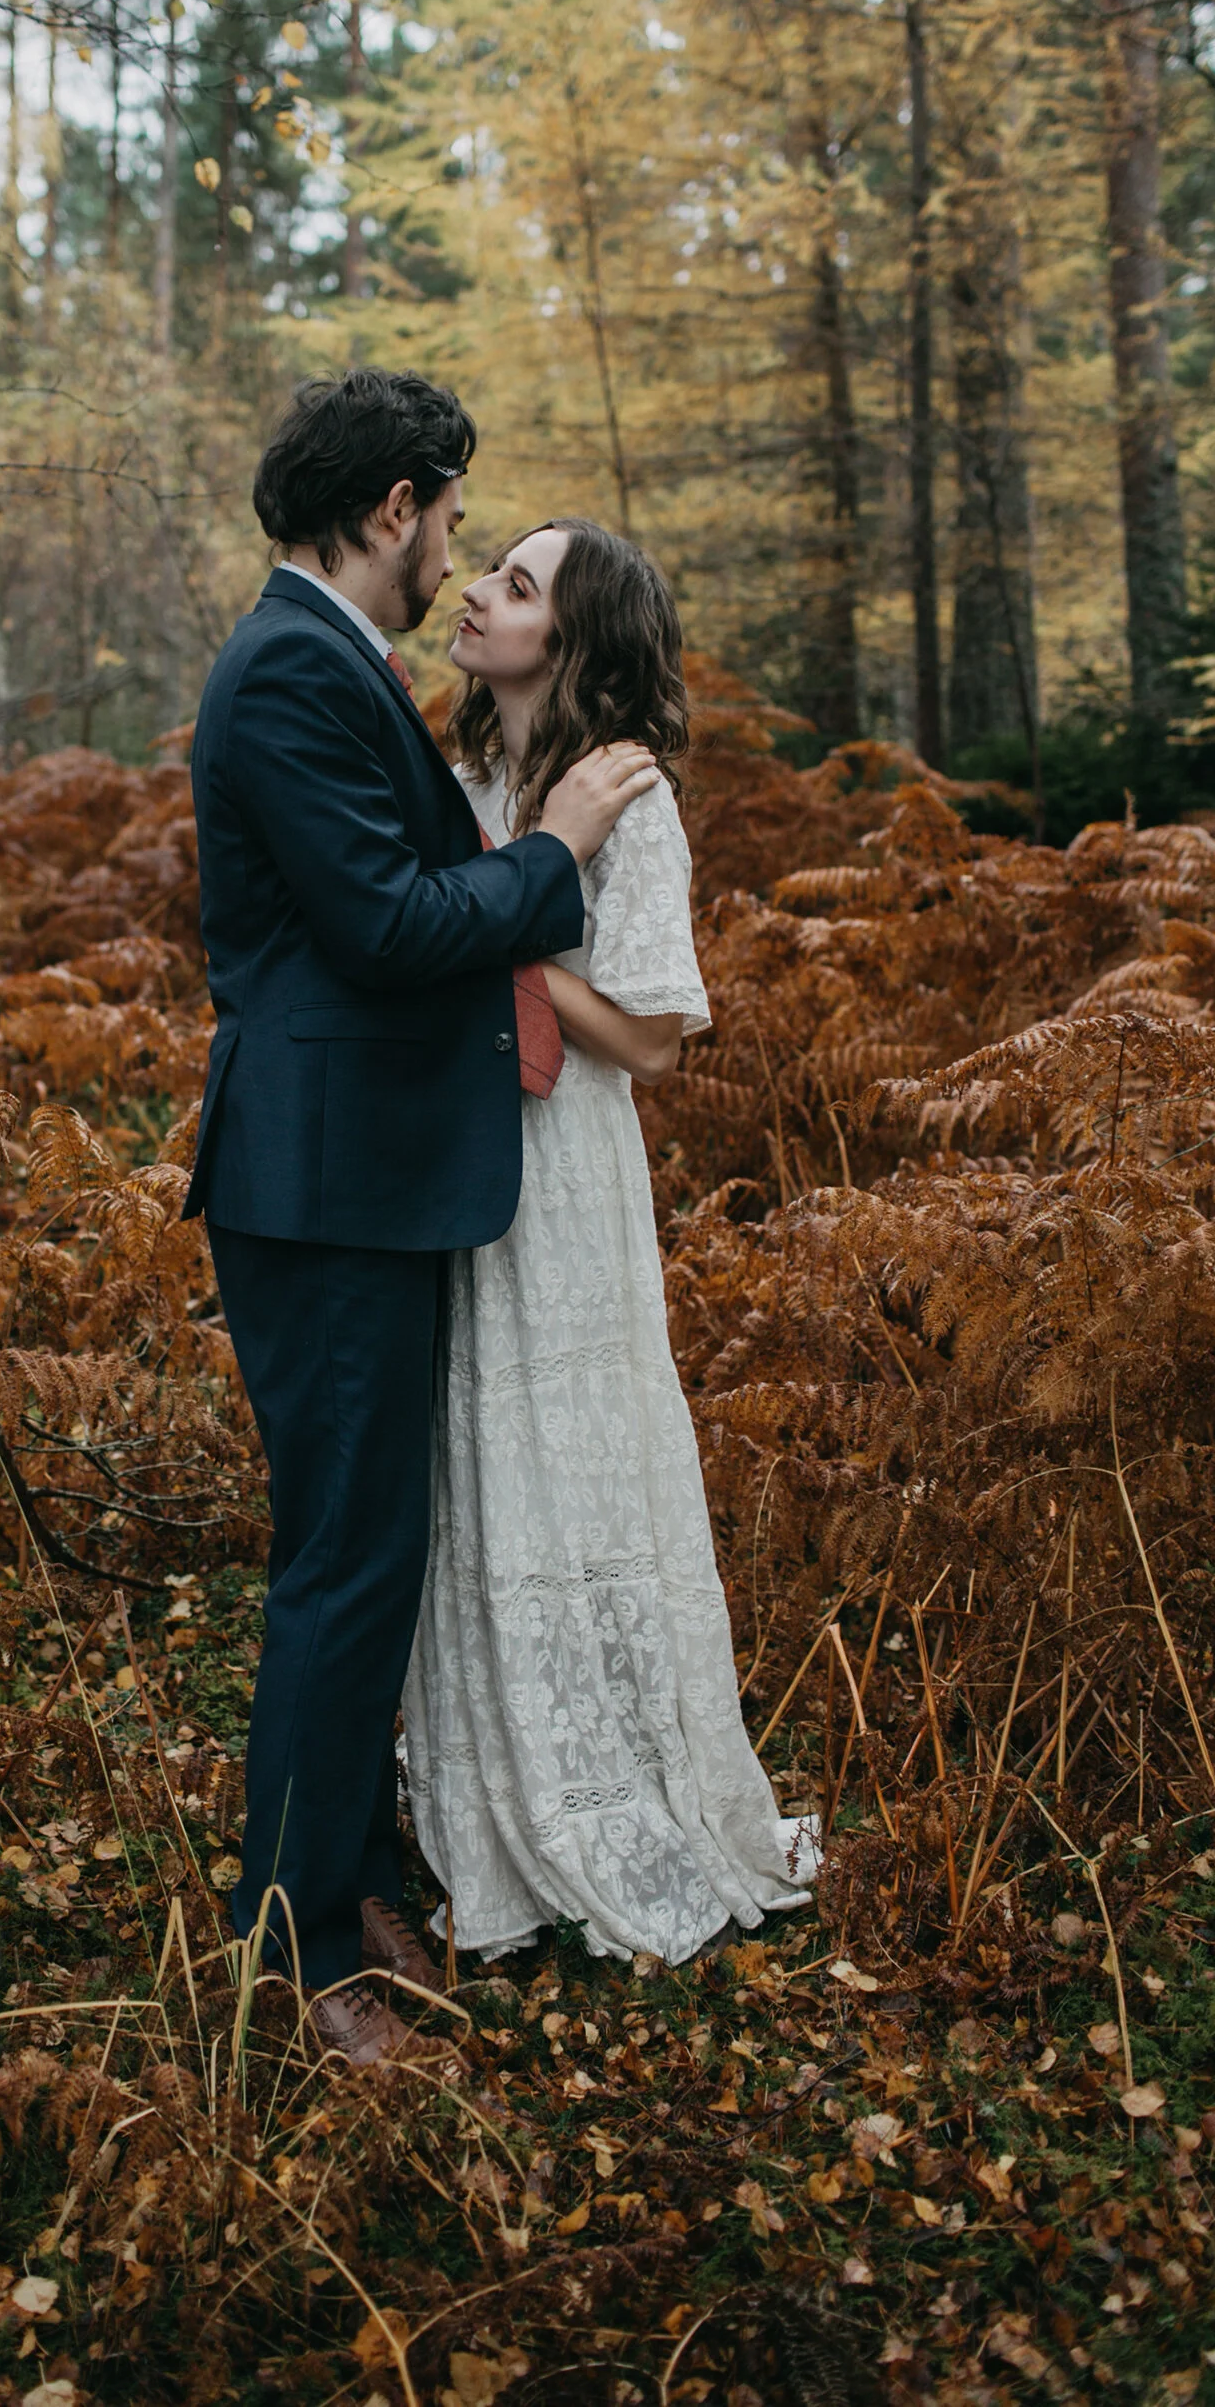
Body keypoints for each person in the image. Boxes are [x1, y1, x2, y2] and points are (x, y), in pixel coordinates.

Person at [185, 375, 659, 2065]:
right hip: (324, 1187)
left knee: (375, 1548)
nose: (453, 550)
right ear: (394, 506)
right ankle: (297, 1952)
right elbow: (385, 927)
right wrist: (560, 850)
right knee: (340, 1560)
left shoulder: (331, 664)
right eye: (451, 518)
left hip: (362, 1177)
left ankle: (357, 1876)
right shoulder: (290, 671)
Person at [403, 518, 817, 1965]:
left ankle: (620, 1794)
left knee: (572, 1459)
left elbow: (649, 1041)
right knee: (472, 1464)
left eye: (517, 586)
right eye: (489, 569)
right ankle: (493, 1800)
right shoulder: (460, 779)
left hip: (564, 1159)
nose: (476, 591)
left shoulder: (631, 800)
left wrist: (504, 928)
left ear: (572, 642)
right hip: (448, 1146)